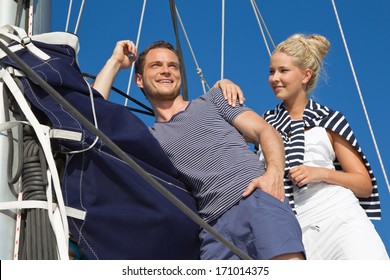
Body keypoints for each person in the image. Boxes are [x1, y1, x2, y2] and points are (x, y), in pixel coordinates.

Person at [93, 40, 306, 260]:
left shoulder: (213, 99)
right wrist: (116, 61)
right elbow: (90, 115)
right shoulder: (150, 138)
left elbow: (266, 132)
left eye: (173, 66)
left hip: (256, 200)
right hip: (212, 231)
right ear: (139, 79)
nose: (166, 70)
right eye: (156, 65)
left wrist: (273, 174)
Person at [260, 33, 389, 259]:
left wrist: (318, 173)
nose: (274, 78)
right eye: (272, 71)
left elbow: (363, 184)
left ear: (305, 75)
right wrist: (224, 86)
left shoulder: (328, 119)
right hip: (294, 231)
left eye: (283, 71)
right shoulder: (263, 124)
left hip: (339, 220)